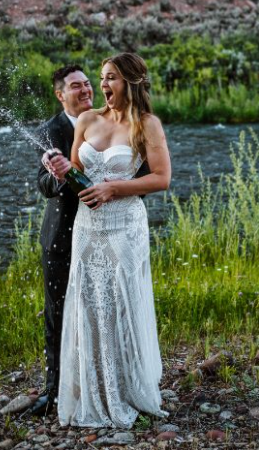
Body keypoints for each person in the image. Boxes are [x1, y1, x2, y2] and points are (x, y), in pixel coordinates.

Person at [50, 52, 171, 429]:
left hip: (125, 226)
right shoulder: (87, 120)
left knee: (122, 303)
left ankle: (127, 389)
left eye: (112, 79)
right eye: (102, 78)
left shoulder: (147, 124)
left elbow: (161, 179)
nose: (103, 86)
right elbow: (78, 176)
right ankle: (91, 390)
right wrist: (61, 171)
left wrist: (114, 188)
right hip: (88, 229)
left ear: (131, 82)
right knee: (88, 305)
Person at [32, 64, 94, 416]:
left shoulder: (102, 121)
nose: (86, 91)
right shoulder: (50, 131)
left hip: (100, 234)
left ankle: (95, 382)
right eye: (76, 86)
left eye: (88, 84)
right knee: (57, 314)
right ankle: (53, 393)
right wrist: (56, 176)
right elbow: (43, 185)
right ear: (60, 94)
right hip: (62, 238)